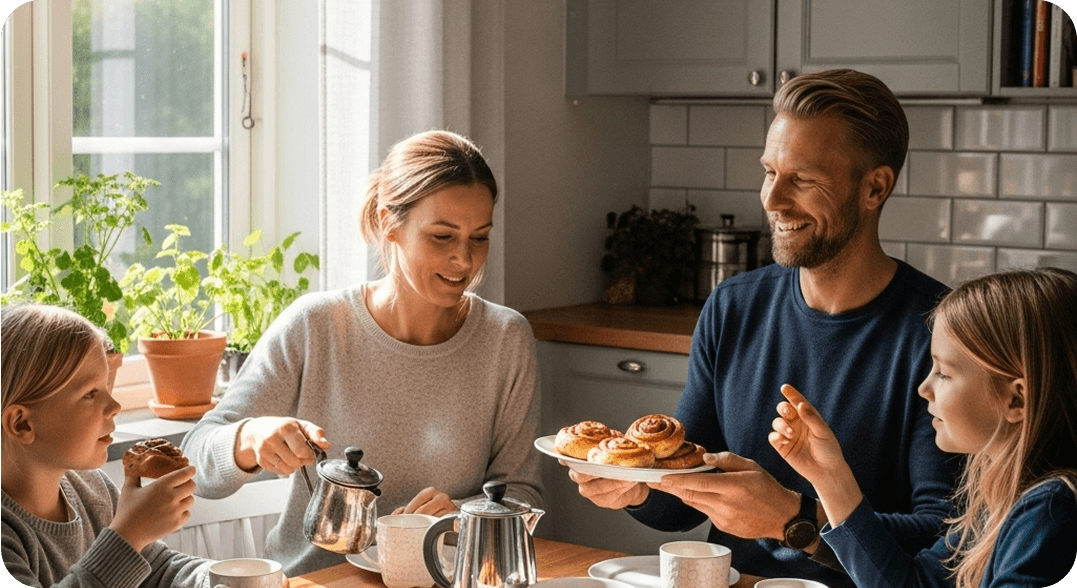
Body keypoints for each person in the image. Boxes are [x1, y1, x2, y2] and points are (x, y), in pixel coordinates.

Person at [567, 69, 961, 587]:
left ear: (875, 187)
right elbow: (687, 492)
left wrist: (791, 519)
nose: (773, 200)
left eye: (802, 179)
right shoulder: (733, 308)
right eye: (769, 172)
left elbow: (941, 539)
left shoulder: (943, 332)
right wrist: (635, 487)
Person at [181, 129, 543, 576]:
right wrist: (248, 438)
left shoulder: (505, 339)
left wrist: (460, 518)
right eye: (443, 237)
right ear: (391, 225)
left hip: (440, 582)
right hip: (316, 581)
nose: (465, 261)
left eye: (480, 238)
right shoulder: (317, 325)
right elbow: (194, 458)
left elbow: (524, 495)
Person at [770, 267, 1077, 588]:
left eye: (944, 373)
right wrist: (829, 476)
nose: (924, 388)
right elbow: (914, 583)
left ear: (1016, 400)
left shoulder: (1051, 512)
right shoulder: (1001, 499)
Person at [1, 304, 209, 588]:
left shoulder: (91, 489)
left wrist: (226, 579)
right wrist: (129, 534)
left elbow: (158, 571)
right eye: (90, 394)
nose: (114, 406)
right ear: (22, 424)